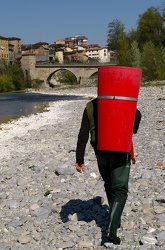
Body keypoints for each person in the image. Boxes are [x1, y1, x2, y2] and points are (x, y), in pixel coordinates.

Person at [75, 97, 142, 245]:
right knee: (120, 190)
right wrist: (133, 128)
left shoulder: (90, 106)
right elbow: (137, 115)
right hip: (119, 150)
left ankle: (114, 218)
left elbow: (83, 134)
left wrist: (79, 159)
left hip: (100, 151)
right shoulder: (123, 101)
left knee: (109, 183)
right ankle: (112, 229)